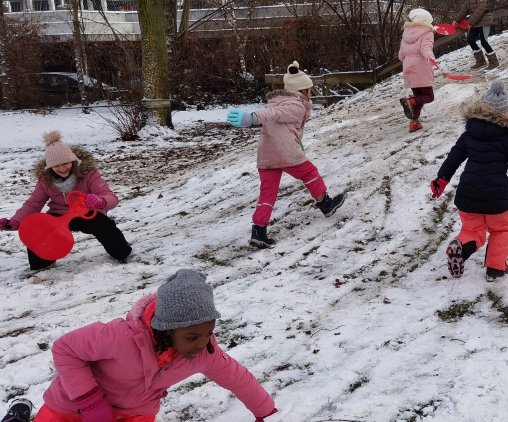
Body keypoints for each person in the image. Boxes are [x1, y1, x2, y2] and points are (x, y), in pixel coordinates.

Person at [24, 269, 286, 422]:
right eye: (192, 336)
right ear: (166, 329)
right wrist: (90, 402)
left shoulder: (205, 353)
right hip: (70, 406)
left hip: (134, 414)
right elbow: (65, 349)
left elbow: (238, 378)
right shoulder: (121, 336)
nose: (202, 343)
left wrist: (266, 413)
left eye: (208, 333)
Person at [429, 80, 508, 281]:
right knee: (501, 230)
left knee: (472, 230)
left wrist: (441, 180)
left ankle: (460, 248)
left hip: (467, 193)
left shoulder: (469, 133)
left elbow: (453, 158)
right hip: (495, 197)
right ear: (506, 113)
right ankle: (495, 269)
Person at [226, 62, 345, 248]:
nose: (311, 94)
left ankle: (259, 231)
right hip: (285, 152)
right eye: (310, 90)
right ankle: (325, 204)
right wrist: (253, 118)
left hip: (267, 154)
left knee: (268, 192)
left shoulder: (278, 100)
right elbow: (274, 113)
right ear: (303, 90)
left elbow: (279, 120)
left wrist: (297, 140)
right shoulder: (295, 105)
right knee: (309, 173)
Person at [0, 131, 133, 272]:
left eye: (65, 163)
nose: (62, 168)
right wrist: (15, 221)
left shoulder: (88, 173)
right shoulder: (45, 180)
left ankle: (122, 253)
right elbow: (33, 203)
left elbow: (109, 196)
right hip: (59, 214)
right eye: (56, 165)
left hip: (86, 212)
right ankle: (42, 264)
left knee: (104, 225)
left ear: (72, 160)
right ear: (50, 167)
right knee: (40, 228)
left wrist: (100, 201)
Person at [398, 8, 437, 133]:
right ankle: (410, 101)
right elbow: (426, 48)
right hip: (421, 67)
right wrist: (430, 57)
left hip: (408, 68)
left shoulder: (406, 33)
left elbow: (401, 56)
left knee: (418, 96)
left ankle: (414, 122)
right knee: (429, 97)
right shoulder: (427, 33)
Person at [454, 0, 498, 70]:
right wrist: (456, 19)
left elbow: (481, 9)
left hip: (484, 20)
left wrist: (470, 22)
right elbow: (465, 9)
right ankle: (481, 61)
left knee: (483, 41)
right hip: (476, 21)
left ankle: (494, 62)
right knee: (471, 40)